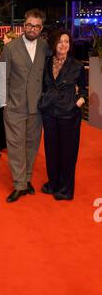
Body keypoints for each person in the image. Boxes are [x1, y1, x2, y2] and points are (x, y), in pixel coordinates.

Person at [1, 9, 48, 203]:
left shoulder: (45, 47)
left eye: (36, 26)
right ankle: (19, 184)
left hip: (37, 106)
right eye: (29, 24)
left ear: (41, 28)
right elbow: (2, 76)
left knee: (31, 145)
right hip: (15, 105)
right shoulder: (10, 48)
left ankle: (27, 178)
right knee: (15, 146)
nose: (32, 29)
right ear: (24, 25)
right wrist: (4, 103)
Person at [38, 30, 86, 200]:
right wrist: (43, 98)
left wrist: (79, 101)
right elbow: (42, 84)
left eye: (66, 42)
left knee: (68, 152)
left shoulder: (77, 65)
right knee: (51, 151)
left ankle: (65, 189)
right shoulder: (46, 62)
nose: (63, 45)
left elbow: (84, 88)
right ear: (54, 44)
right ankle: (53, 184)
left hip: (68, 114)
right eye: (60, 42)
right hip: (49, 112)